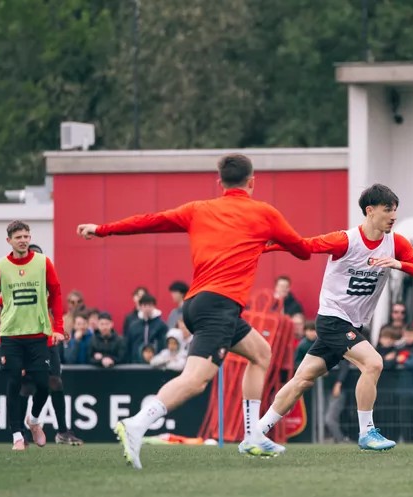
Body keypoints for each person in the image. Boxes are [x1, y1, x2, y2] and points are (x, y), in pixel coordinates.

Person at [76, 153, 311, 469]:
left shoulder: (198, 209)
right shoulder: (264, 214)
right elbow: (303, 250)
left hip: (198, 303)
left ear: (220, 183)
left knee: (260, 352)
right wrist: (267, 244)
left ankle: (253, 434)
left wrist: (102, 229)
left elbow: (149, 221)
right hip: (218, 308)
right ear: (252, 182)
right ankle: (136, 423)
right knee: (196, 380)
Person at [256, 184, 413, 451]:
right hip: (332, 320)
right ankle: (367, 433)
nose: (394, 216)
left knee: (302, 380)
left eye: (395, 210)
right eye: (388, 209)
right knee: (373, 363)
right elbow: (306, 245)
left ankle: (256, 432)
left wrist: (399, 264)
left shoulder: (395, 243)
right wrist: (269, 245)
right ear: (370, 211)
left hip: (351, 324)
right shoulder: (345, 240)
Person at [0, 221, 65, 450]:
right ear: (9, 240)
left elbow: (56, 294)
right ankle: (17, 436)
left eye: (26, 236)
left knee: (44, 384)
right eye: (18, 236)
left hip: (39, 335)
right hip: (11, 335)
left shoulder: (43, 262)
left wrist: (58, 328)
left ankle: (34, 420)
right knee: (14, 383)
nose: (23, 240)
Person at [28, 243, 83, 445]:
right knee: (25, 387)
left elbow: (55, 310)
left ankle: (62, 431)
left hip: (48, 340)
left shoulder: (49, 283)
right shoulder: (16, 281)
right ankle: (20, 433)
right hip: (25, 340)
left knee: (56, 382)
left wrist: (58, 330)